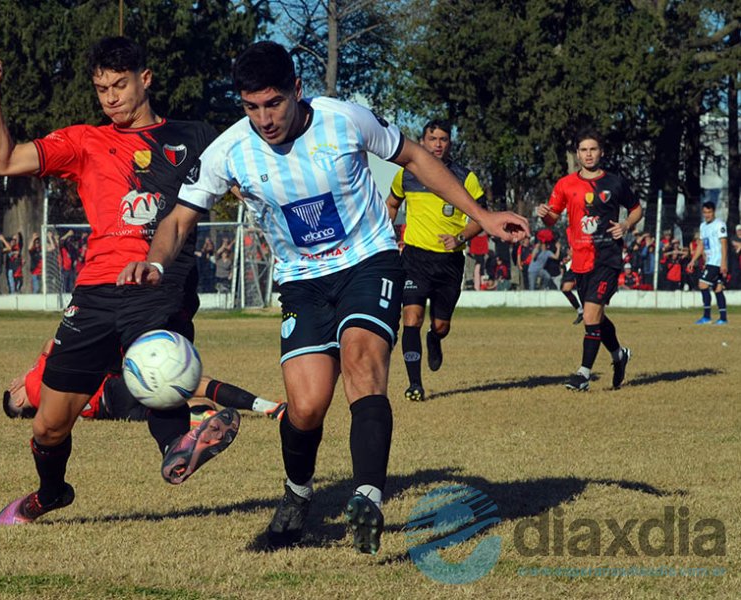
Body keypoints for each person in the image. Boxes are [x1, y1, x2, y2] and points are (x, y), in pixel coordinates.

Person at [119, 42, 529, 553]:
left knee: (362, 363)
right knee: (307, 406)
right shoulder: (230, 150)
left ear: (297, 89)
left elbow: (415, 157)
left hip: (368, 260)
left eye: (274, 103)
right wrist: (157, 262)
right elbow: (180, 217)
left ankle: (367, 497)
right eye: (251, 107)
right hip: (302, 281)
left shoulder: (344, 120)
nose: (264, 119)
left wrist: (482, 216)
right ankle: (297, 495)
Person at [0, 35, 241, 526]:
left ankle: (178, 445)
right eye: (102, 89)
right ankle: (51, 493)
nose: (111, 98)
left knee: (154, 358)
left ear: (146, 79)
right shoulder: (84, 141)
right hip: (95, 290)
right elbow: (3, 160)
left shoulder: (196, 136)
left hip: (160, 280)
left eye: (120, 85)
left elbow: (250, 182)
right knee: (48, 427)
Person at [384, 119, 488, 403]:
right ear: (423, 141)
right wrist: (386, 235)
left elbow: (482, 217)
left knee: (441, 326)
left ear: (449, 143)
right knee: (411, 319)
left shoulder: (465, 178)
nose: (438, 144)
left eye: (443, 139)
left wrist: (461, 237)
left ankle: (435, 338)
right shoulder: (406, 175)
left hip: (449, 263)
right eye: (433, 139)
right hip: (415, 259)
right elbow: (392, 204)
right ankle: (415, 384)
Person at [537, 128, 641, 392]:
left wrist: (625, 225)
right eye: (584, 150)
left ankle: (583, 375)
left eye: (593, 149)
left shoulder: (615, 183)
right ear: (577, 154)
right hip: (580, 259)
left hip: (607, 258)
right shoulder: (565, 184)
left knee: (591, 314)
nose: (588, 154)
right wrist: (543, 213)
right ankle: (619, 355)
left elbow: (636, 209)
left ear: (601, 152)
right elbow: (551, 218)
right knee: (596, 317)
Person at [3, 339, 286, 422]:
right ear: (17, 397)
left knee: (188, 406)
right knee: (196, 383)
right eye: (13, 386)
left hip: (115, 412)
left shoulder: (49, 411)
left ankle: (203, 417)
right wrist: (28, 371)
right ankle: (267, 407)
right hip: (116, 389)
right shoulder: (34, 385)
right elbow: (51, 344)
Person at [687, 201, 728, 324]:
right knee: (717, 288)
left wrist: (724, 262)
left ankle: (707, 317)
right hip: (710, 261)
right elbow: (701, 245)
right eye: (705, 212)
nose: (707, 215)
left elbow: (724, 244)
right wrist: (693, 260)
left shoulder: (719, 224)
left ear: (714, 212)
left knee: (702, 284)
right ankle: (723, 318)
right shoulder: (703, 226)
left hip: (716, 262)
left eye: (709, 212)